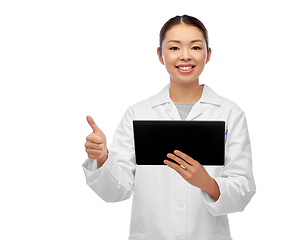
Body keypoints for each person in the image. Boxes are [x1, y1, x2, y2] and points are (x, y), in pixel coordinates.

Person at [83, 15, 256, 240]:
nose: (185, 56)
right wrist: (103, 157)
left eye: (195, 46)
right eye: (174, 47)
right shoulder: (138, 113)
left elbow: (243, 188)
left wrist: (208, 183)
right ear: (160, 55)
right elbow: (117, 190)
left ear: (208, 54)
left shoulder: (230, 114)